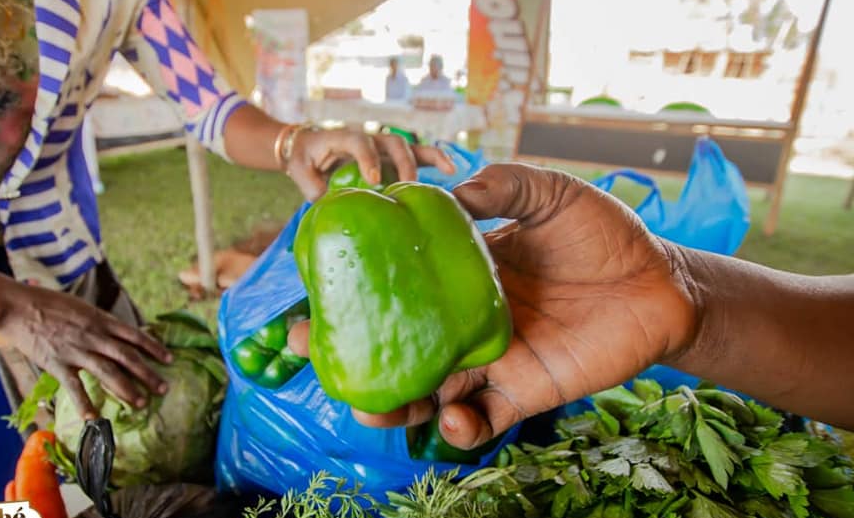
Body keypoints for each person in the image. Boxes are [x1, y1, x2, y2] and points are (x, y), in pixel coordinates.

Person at [0, 0, 454, 505]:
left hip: (73, 284)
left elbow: (206, 101)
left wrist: (293, 143)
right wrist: (12, 310)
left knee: (87, 514)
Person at [289, 163, 854, 449]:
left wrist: (682, 294)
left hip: (458, 343)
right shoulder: (419, 206)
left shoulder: (343, 223)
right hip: (491, 329)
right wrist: (682, 295)